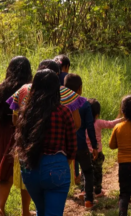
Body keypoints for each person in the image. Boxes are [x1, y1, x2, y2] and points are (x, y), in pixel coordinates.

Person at [15, 69, 77, 216]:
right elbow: (72, 146)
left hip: (30, 169)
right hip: (56, 167)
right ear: (56, 88)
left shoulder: (25, 111)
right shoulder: (63, 112)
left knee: (41, 212)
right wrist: (65, 163)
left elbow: (20, 142)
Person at [7, 60, 86, 191]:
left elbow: (15, 121)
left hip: (28, 150)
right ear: (56, 75)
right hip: (59, 151)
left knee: (28, 186)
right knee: (56, 191)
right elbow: (76, 124)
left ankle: (25, 210)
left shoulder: (23, 90)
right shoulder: (67, 94)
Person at [0, 56, 34, 216]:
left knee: (4, 174)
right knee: (25, 173)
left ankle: (0, 208)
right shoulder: (28, 90)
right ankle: (25, 212)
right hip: (22, 132)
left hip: (1, 131)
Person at [64, 74, 99, 210]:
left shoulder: (59, 101)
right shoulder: (84, 103)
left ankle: (63, 197)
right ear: (79, 89)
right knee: (88, 171)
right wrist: (94, 146)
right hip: (80, 145)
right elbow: (90, 126)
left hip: (64, 144)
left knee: (65, 170)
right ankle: (89, 200)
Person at [85, 98, 123, 198]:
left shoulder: (82, 123)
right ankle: (98, 191)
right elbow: (111, 124)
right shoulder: (98, 123)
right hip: (97, 152)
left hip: (85, 153)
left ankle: (86, 190)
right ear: (97, 114)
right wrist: (122, 119)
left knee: (87, 172)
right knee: (98, 172)